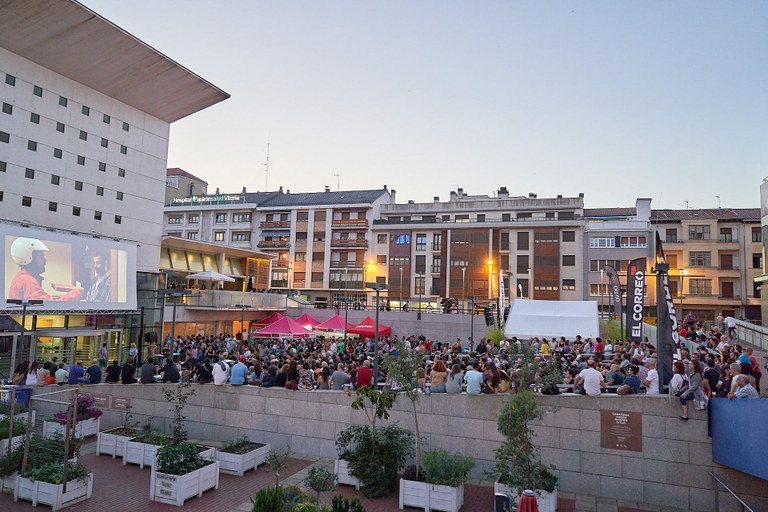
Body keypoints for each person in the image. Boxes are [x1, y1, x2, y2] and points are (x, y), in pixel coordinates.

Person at [7, 237, 84, 301]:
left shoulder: (22, 277)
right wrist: (77, 292)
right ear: (30, 259)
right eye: (41, 257)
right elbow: (53, 306)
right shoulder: (27, 281)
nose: (45, 260)